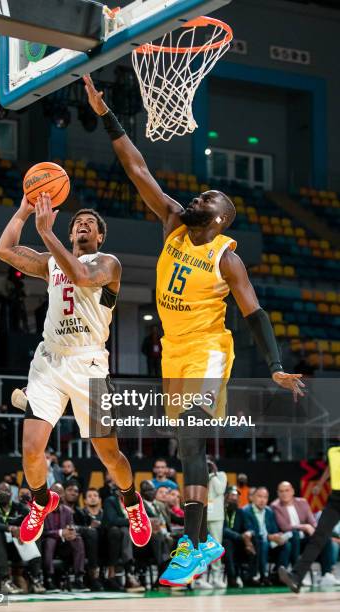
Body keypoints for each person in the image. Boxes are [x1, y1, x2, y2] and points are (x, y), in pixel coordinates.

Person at [84, 73, 305, 587]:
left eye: (211, 196)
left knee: (188, 435)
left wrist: (273, 366)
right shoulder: (173, 223)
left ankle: (196, 539)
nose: (201, 195)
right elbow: (136, 167)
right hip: (173, 351)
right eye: (203, 191)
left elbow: (254, 312)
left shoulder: (226, 258)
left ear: (222, 219)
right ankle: (199, 539)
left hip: (208, 348)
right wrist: (107, 115)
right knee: (185, 448)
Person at [0, 193, 151, 548]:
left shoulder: (108, 263)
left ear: (99, 237)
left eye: (90, 224)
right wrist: (23, 212)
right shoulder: (51, 262)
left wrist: (47, 233)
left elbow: (81, 276)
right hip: (50, 361)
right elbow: (4, 250)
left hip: (89, 365)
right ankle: (40, 500)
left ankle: (132, 502)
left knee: (108, 452)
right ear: (70, 235)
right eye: (77, 223)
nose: (83, 225)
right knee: (32, 449)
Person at [279, 445, 340, 592]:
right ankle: (296, 577)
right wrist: (319, 484)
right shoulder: (333, 451)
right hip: (335, 499)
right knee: (318, 537)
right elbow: (330, 468)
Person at [0, 482, 44, 594]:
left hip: (13, 548)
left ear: (11, 494)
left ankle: (35, 578)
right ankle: (5, 580)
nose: (4, 493)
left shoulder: (19, 508)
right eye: (0, 491)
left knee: (35, 536)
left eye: (7, 491)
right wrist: (10, 528)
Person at [271, 480, 334, 584]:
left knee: (325, 538)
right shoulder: (275, 506)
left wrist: (315, 530)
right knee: (295, 535)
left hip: (304, 538)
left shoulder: (302, 502)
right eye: (281, 491)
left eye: (287, 490)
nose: (284, 493)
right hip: (289, 539)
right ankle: (298, 575)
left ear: (292, 491)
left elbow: (312, 522)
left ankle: (326, 575)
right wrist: (304, 526)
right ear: (278, 493)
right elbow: (284, 527)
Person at [43, 483, 87, 592]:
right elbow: (42, 532)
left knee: (77, 539)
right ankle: (49, 578)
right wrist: (60, 532)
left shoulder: (67, 511)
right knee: (50, 541)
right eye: (55, 493)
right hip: (46, 544)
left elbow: (70, 527)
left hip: (63, 545)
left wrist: (71, 533)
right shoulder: (42, 510)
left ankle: (78, 578)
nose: (58, 495)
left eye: (60, 493)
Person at [243, 486, 290, 585]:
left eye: (265, 497)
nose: (262, 500)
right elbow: (250, 530)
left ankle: (277, 574)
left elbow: (274, 529)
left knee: (286, 544)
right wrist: (268, 537)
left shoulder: (269, 511)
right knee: (263, 542)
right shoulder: (246, 511)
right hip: (255, 543)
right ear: (253, 497)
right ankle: (263, 576)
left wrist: (277, 536)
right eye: (259, 496)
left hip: (269, 542)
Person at [102, 486, 145, 593]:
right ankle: (129, 572)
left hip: (131, 535)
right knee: (124, 531)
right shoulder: (110, 501)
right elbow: (112, 520)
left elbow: (142, 517)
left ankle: (131, 573)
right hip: (112, 537)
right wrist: (132, 521)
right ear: (117, 491)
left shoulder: (134, 502)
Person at [222, 486, 256, 588]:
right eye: (232, 495)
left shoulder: (241, 512)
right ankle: (232, 578)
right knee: (227, 543)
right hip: (225, 541)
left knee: (255, 541)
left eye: (237, 496)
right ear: (226, 497)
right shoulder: (220, 511)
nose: (235, 498)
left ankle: (249, 577)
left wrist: (249, 533)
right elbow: (222, 530)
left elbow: (249, 527)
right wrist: (240, 536)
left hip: (240, 541)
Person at [206, 458, 227, 588]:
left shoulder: (221, 475)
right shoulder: (198, 475)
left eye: (209, 463)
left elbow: (220, 491)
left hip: (216, 516)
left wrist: (213, 475)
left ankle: (216, 576)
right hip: (202, 515)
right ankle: (201, 577)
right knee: (201, 546)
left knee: (215, 547)